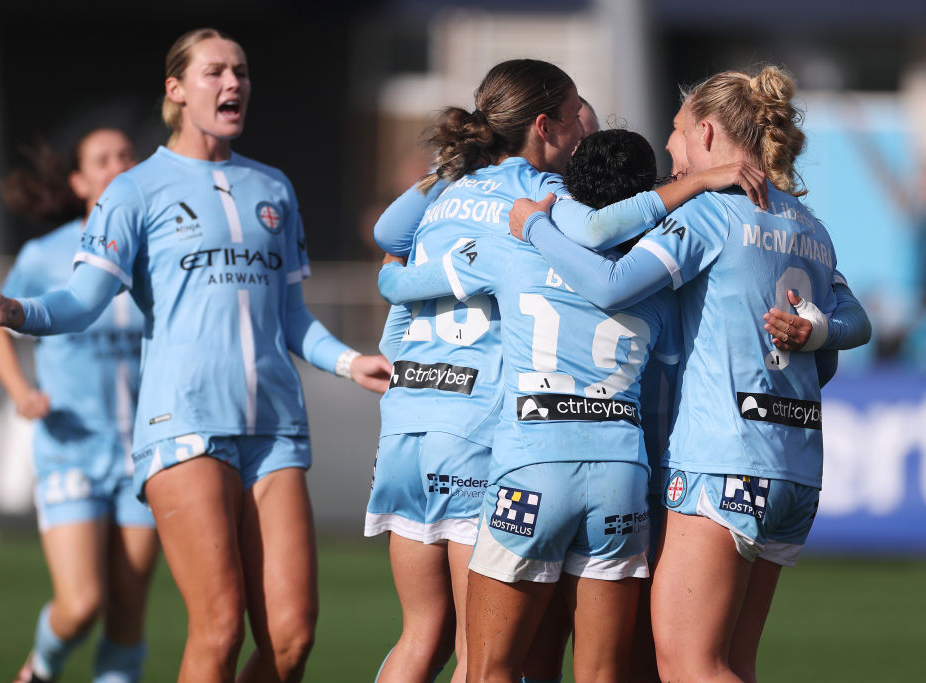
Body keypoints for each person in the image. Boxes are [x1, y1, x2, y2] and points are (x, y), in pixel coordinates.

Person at [0, 28, 392, 683]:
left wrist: (349, 362)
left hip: (275, 428)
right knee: (219, 629)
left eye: (241, 71)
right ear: (176, 90)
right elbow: (81, 301)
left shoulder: (273, 187)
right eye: (215, 71)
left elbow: (292, 315)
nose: (233, 82)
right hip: (184, 425)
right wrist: (10, 310)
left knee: (292, 640)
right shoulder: (134, 190)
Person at [366, 57, 769, 683]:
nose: (584, 128)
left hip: (447, 434)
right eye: (577, 114)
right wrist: (696, 184)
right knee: (571, 665)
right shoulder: (569, 226)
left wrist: (403, 263)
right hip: (566, 457)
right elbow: (606, 234)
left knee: (448, 646)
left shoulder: (480, 209)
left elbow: (391, 246)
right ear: (544, 126)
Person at [507, 66, 872, 682]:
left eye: (676, 131)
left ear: (704, 133)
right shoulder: (810, 226)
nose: (669, 147)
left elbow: (610, 285)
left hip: (723, 461)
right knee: (733, 662)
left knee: (688, 664)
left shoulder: (710, 213)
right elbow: (842, 340)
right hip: (795, 465)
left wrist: (535, 226)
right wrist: (814, 335)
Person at [375, 127, 686, 683]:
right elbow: (672, 365)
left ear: (567, 187)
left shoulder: (515, 253)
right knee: (604, 672)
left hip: (531, 469)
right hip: (620, 476)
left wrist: (390, 276)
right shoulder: (655, 286)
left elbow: (411, 282)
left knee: (487, 667)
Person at [0, 128, 157, 683]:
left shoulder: (163, 249)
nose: (118, 165)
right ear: (79, 182)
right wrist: (21, 392)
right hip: (71, 449)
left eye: (126, 155)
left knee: (127, 614)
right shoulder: (45, 255)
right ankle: (40, 669)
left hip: (145, 454)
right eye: (102, 159)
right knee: (81, 604)